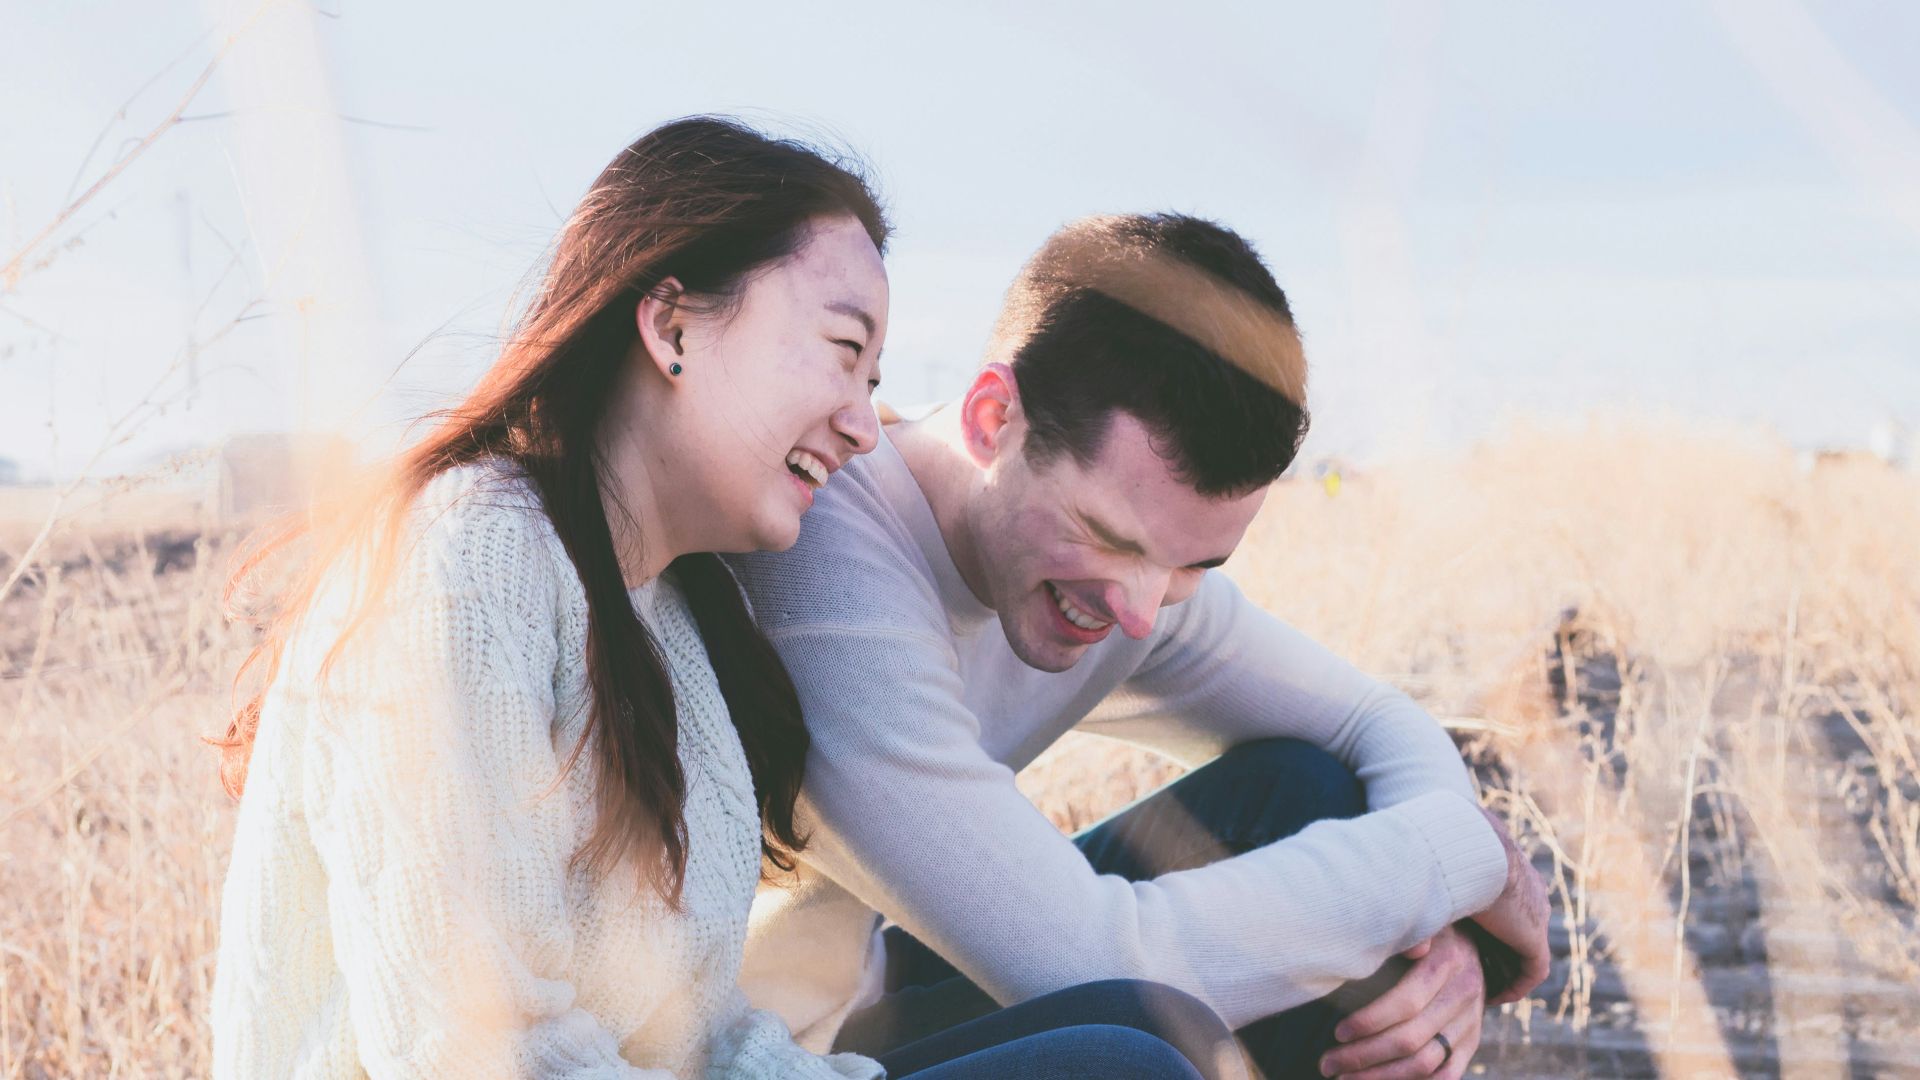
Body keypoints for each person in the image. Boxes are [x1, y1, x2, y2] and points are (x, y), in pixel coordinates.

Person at [208, 118, 1222, 1080]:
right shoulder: (469, 557)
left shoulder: (673, 620)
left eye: (875, 381)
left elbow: (694, 1035)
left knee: (1140, 1026)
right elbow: (471, 1051)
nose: (866, 427)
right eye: (842, 351)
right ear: (672, 323)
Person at [726, 213, 1553, 1080]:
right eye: (1110, 538)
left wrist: (1440, 933)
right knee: (1138, 1056)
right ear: (992, 418)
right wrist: (1461, 860)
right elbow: (1094, 964)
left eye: (1194, 562)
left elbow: (1373, 719)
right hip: (755, 1052)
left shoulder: (1130, 580)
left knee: (1307, 788)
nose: (1140, 609)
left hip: (867, 998)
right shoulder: (825, 566)